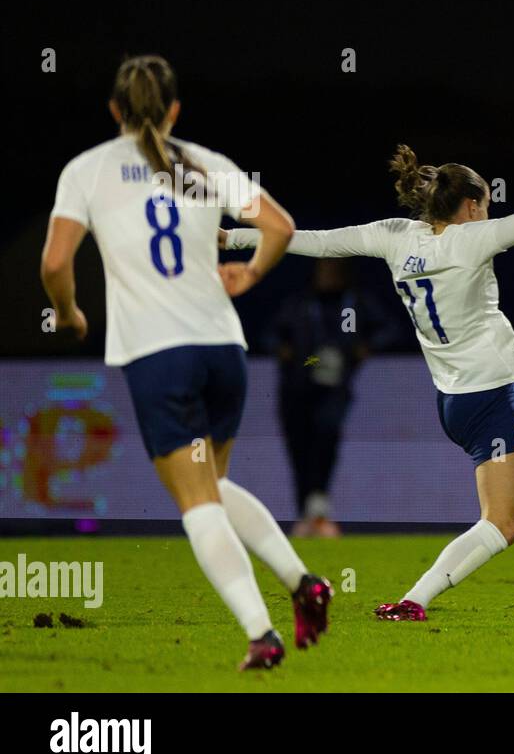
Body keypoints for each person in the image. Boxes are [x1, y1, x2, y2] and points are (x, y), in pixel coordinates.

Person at [222, 146, 514, 621]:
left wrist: (236, 238)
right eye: (486, 204)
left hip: (458, 399)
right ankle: (414, 599)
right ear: (470, 204)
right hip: (487, 399)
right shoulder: (471, 240)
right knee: (504, 524)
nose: (488, 213)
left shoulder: (393, 236)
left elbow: (318, 242)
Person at [41, 55, 332, 669]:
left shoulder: (87, 170)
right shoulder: (207, 164)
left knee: (197, 502)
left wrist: (67, 314)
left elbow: (53, 263)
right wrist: (249, 272)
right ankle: (304, 584)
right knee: (213, 485)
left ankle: (261, 633)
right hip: (223, 353)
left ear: (114, 110)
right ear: (174, 109)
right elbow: (279, 226)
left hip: (158, 356)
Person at [268, 259, 401, 537]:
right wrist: (283, 349)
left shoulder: (355, 303)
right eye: (323, 270)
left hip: (335, 385)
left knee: (326, 435)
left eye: (333, 270)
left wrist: (366, 347)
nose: (328, 275)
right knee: (299, 448)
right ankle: (307, 514)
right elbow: (269, 334)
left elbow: (390, 329)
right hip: (296, 385)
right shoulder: (300, 303)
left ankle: (318, 509)